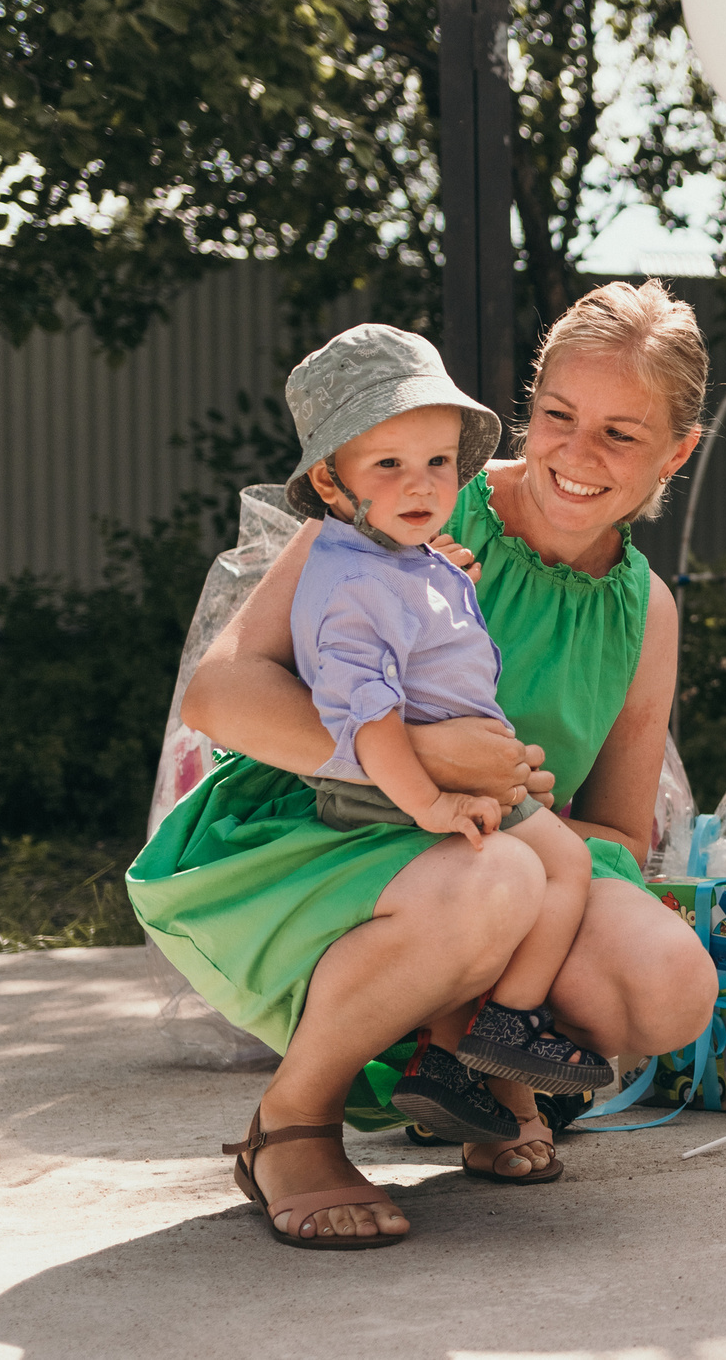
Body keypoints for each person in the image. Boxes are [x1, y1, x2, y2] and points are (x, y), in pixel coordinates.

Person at [129, 281, 718, 1250]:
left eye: (622, 433)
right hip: (322, 825)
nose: (576, 454)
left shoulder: (643, 609)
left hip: (492, 854)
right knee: (491, 880)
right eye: (559, 415)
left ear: (676, 452)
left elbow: (616, 833)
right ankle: (291, 1122)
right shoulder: (415, 488)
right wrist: (418, 752)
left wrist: (506, 798)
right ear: (529, 406)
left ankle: (473, 1066)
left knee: (666, 985)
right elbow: (220, 694)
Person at [280, 324, 613, 1111]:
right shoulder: (355, 586)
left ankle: (458, 1056)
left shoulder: (402, 556)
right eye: (388, 465)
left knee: (553, 867)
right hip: (399, 782)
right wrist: (430, 801)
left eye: (437, 463)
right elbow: (367, 720)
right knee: (554, 866)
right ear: (332, 484)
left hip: (439, 768)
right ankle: (507, 1026)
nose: (422, 485)